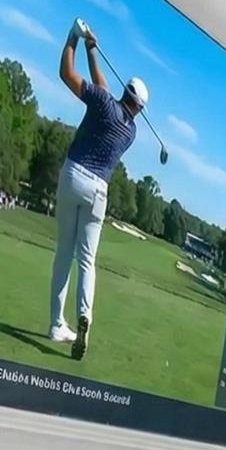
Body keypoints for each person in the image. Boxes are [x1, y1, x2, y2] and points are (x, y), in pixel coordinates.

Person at [47, 18, 148, 361]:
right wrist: (94, 52)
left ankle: (57, 324)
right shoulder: (130, 131)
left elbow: (67, 75)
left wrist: (73, 39)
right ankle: (84, 316)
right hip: (99, 192)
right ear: (140, 108)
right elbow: (103, 89)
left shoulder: (105, 104)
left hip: (74, 174)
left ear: (125, 94)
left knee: (64, 252)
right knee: (87, 261)